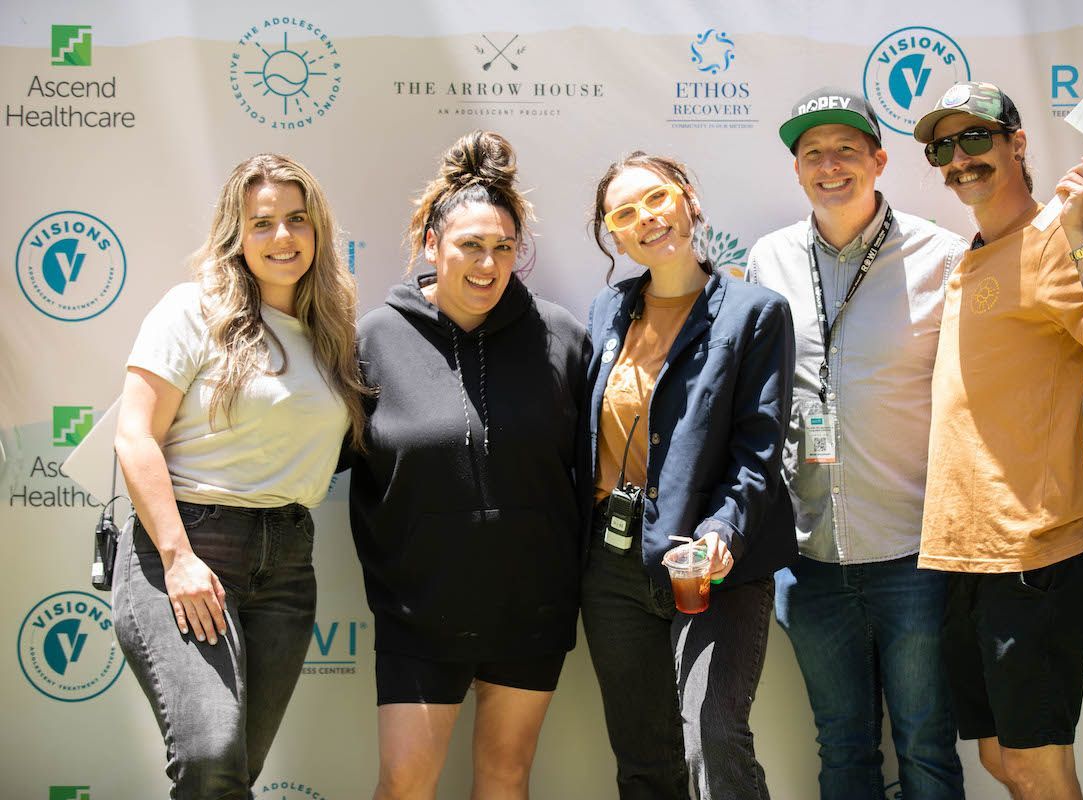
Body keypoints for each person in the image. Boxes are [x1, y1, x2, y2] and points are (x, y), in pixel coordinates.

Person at [913, 82, 1083, 800]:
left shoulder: (1054, 238)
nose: (960, 159)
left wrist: (1081, 228)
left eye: (976, 138)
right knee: (1001, 759)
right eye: (943, 147)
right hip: (965, 553)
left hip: (1032, 557)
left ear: (1017, 142)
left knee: (1037, 769)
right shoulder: (973, 255)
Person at [112, 153, 368, 797]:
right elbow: (134, 434)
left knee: (232, 776)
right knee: (210, 756)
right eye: (263, 223)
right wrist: (177, 557)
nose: (283, 237)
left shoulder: (330, 331)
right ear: (237, 234)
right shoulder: (191, 309)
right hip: (187, 548)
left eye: (297, 220)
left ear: (319, 230)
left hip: (285, 561)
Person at [345, 130, 590, 800]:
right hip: (419, 612)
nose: (488, 263)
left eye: (503, 247)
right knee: (404, 785)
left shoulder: (562, 338)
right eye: (470, 246)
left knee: (506, 780)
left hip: (531, 606)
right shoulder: (374, 341)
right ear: (432, 244)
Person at [746, 87, 968, 799]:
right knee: (842, 751)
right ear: (797, 171)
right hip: (810, 559)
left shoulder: (943, 257)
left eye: (846, 148)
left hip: (915, 553)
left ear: (879, 159)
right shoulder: (768, 259)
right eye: (813, 152)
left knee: (928, 749)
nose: (829, 164)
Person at [582, 150, 797, 800]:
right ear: (613, 235)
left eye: (657, 198)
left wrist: (721, 532)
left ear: (689, 200)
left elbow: (759, 447)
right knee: (646, 759)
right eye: (625, 212)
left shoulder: (754, 312)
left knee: (713, 736)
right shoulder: (606, 312)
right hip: (614, 566)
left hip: (713, 562)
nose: (646, 218)